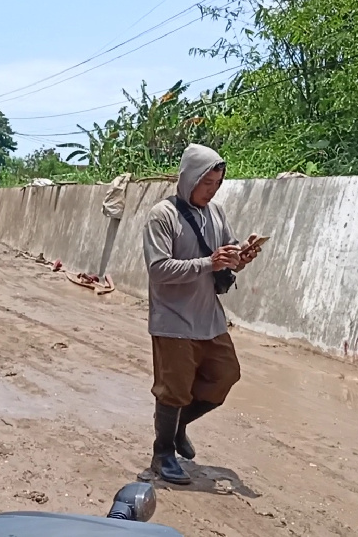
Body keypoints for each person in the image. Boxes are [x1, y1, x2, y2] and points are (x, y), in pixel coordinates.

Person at [141, 143, 263, 485]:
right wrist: (209, 263)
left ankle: (178, 426)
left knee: (225, 374)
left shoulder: (216, 213)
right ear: (188, 178)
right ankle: (163, 454)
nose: (212, 190)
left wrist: (241, 255)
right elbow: (159, 269)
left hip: (209, 317)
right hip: (173, 319)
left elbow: (227, 255)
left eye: (217, 183)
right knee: (173, 390)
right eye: (206, 182)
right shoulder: (162, 216)